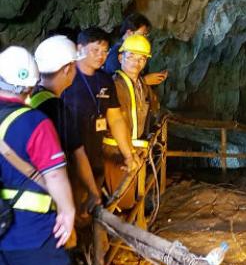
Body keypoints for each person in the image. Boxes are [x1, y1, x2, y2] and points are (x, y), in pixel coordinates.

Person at [0, 46, 75, 265]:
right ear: (28, 86)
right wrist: (67, 212)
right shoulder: (34, 122)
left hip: (1, 233)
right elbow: (54, 174)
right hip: (30, 231)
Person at [62, 28, 140, 201]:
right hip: (68, 156)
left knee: (92, 205)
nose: (101, 55)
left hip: (95, 152)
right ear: (79, 48)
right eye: (95, 50)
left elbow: (116, 118)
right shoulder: (65, 77)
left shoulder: (105, 80)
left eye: (105, 51)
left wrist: (128, 155)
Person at [32, 36, 102, 220]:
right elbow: (77, 154)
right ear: (67, 69)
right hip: (50, 199)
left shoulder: (30, 97)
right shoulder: (57, 108)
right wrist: (93, 192)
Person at [107, 34, 159, 211]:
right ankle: (117, 237)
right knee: (121, 201)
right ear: (121, 57)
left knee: (132, 197)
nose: (136, 63)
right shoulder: (115, 84)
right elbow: (115, 121)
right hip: (117, 152)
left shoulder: (140, 84)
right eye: (131, 57)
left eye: (142, 58)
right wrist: (127, 152)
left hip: (134, 150)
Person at [104, 13, 168, 87]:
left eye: (146, 35)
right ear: (129, 33)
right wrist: (144, 81)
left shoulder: (133, 49)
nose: (145, 39)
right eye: (142, 34)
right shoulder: (116, 54)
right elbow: (113, 84)